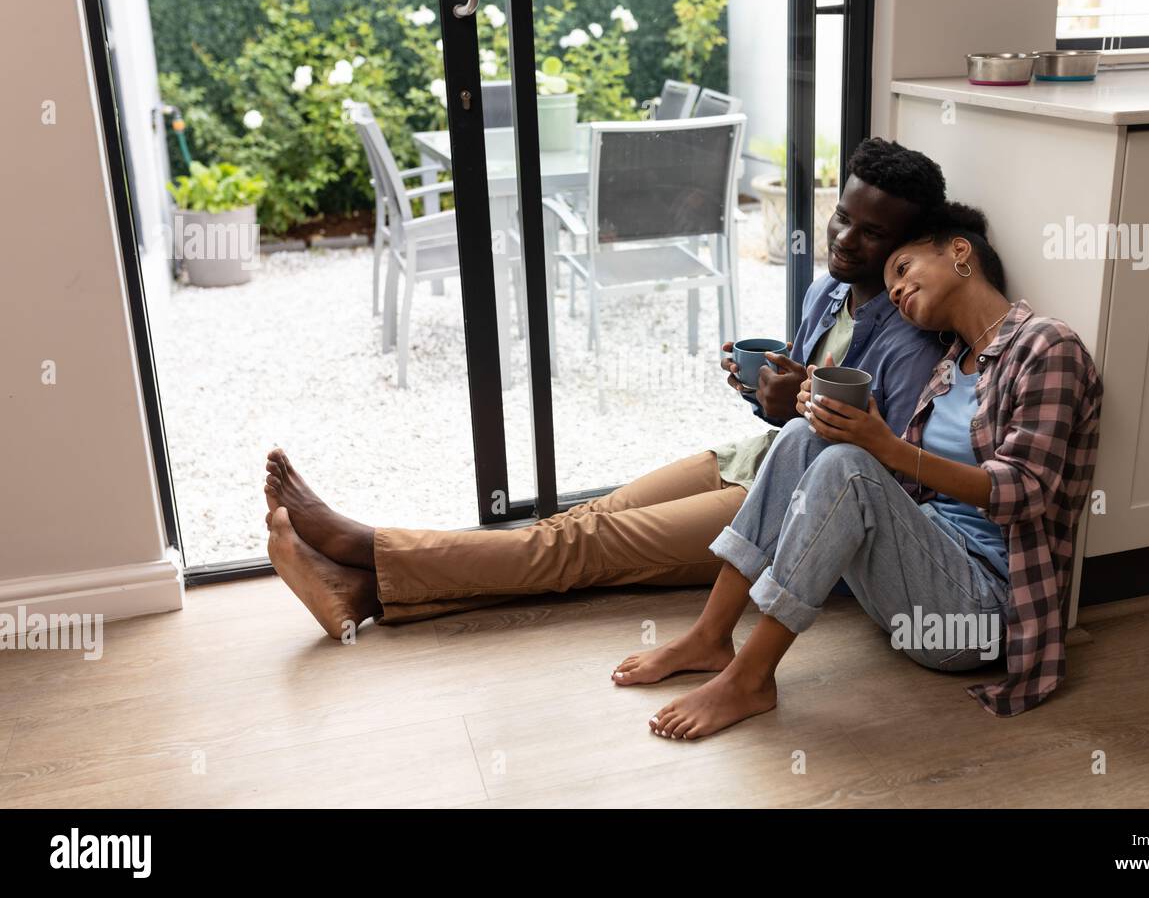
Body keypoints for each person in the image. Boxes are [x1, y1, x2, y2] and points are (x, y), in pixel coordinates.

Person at [264, 139, 950, 639]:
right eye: (842, 218)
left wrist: (796, 407)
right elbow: (788, 408)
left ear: (909, 244)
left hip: (792, 506)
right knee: (580, 522)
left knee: (580, 552)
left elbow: (882, 479)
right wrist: (763, 391)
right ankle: (364, 590)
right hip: (756, 458)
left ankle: (366, 548)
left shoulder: (913, 338)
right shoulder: (829, 290)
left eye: (872, 233)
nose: (846, 240)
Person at [612, 202, 1103, 738]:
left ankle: (751, 679)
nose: (895, 291)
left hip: (979, 616)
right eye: (891, 286)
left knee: (848, 462)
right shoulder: (949, 367)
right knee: (807, 434)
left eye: (904, 270)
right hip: (917, 583)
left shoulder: (1046, 346)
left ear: (959, 252)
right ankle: (710, 635)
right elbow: (908, 489)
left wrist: (883, 448)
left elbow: (1025, 492)